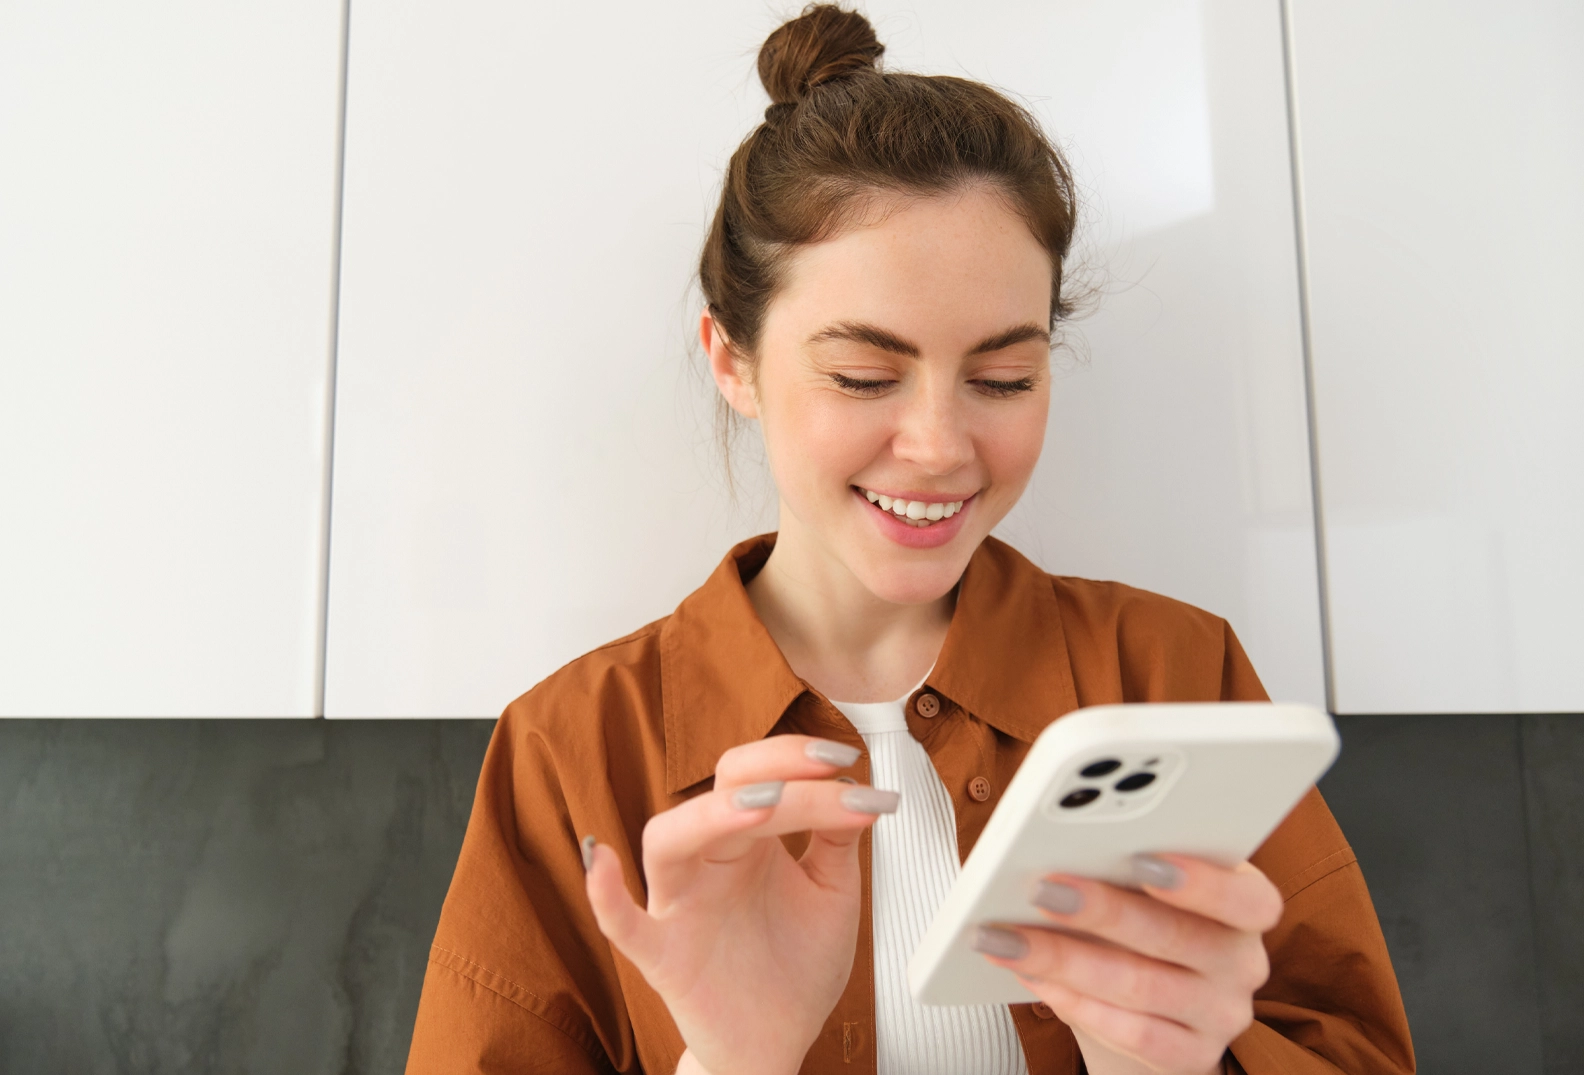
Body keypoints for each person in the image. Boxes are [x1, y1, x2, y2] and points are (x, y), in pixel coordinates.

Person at [404, 6, 1414, 1074]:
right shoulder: (570, 750)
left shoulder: (1176, 673)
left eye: (1002, 379)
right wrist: (732, 1063)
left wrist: (1159, 1061)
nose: (938, 446)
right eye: (863, 376)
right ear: (732, 359)